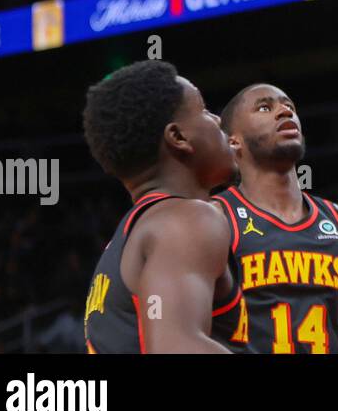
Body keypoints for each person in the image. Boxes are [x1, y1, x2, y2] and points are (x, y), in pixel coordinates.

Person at [215, 83, 338, 354]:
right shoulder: (214, 220)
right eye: (265, 107)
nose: (284, 111)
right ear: (233, 140)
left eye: (289, 106)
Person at [81, 60, 241, 353]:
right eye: (204, 110)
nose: (218, 119)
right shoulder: (187, 220)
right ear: (178, 138)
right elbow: (175, 346)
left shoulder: (128, 239)